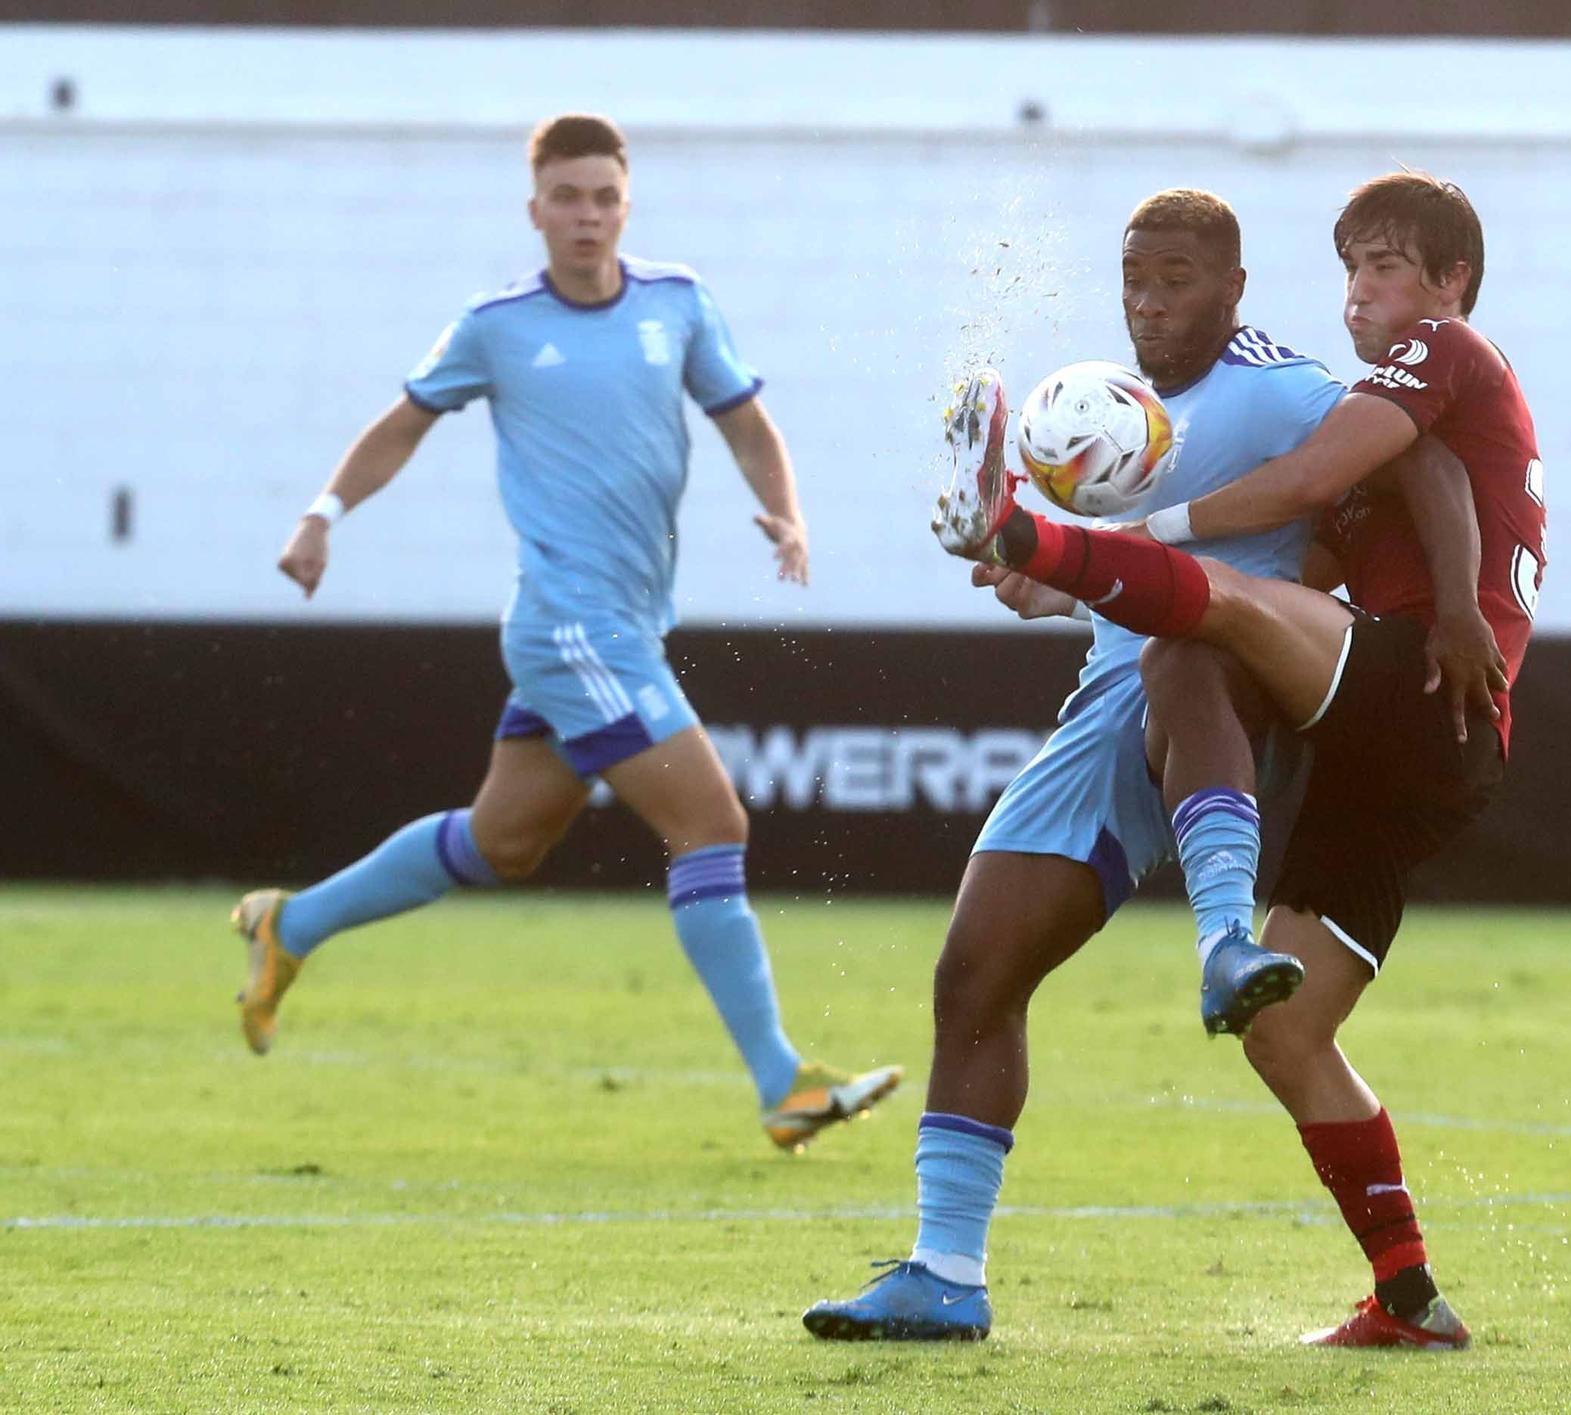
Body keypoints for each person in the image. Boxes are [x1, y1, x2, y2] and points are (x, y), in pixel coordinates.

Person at [803, 186, 1473, 1343]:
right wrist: (1050, 577)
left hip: (1207, 692)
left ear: (1232, 289)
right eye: (1134, 284)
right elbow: (1137, 566)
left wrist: (1448, 607)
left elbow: (1421, 463)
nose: (1150, 306)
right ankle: (945, 1274)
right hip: (1103, 702)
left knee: (1183, 653)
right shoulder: (1114, 411)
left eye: (1174, 282)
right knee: (973, 971)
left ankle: (1223, 934)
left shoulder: (1283, 385)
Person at [231, 113, 900, 1152]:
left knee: (500, 842)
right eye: (567, 198)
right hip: (571, 629)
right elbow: (403, 421)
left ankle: (293, 922)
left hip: (624, 623)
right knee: (712, 824)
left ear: (624, 207)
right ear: (534, 208)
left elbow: (745, 422)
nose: (586, 217)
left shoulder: (676, 304)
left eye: (604, 198)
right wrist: (322, 513)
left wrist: (786, 509)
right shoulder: (495, 325)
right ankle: (782, 1078)